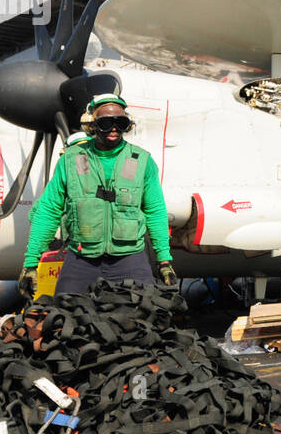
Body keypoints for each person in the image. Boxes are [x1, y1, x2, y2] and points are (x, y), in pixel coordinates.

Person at [18, 94, 177, 299]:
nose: (113, 128)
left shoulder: (141, 161)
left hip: (129, 259)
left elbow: (155, 211)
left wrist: (164, 261)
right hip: (82, 259)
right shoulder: (71, 160)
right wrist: (30, 262)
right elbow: (48, 210)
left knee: (143, 320)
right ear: (92, 125)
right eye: (105, 123)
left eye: (120, 122)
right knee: (68, 317)